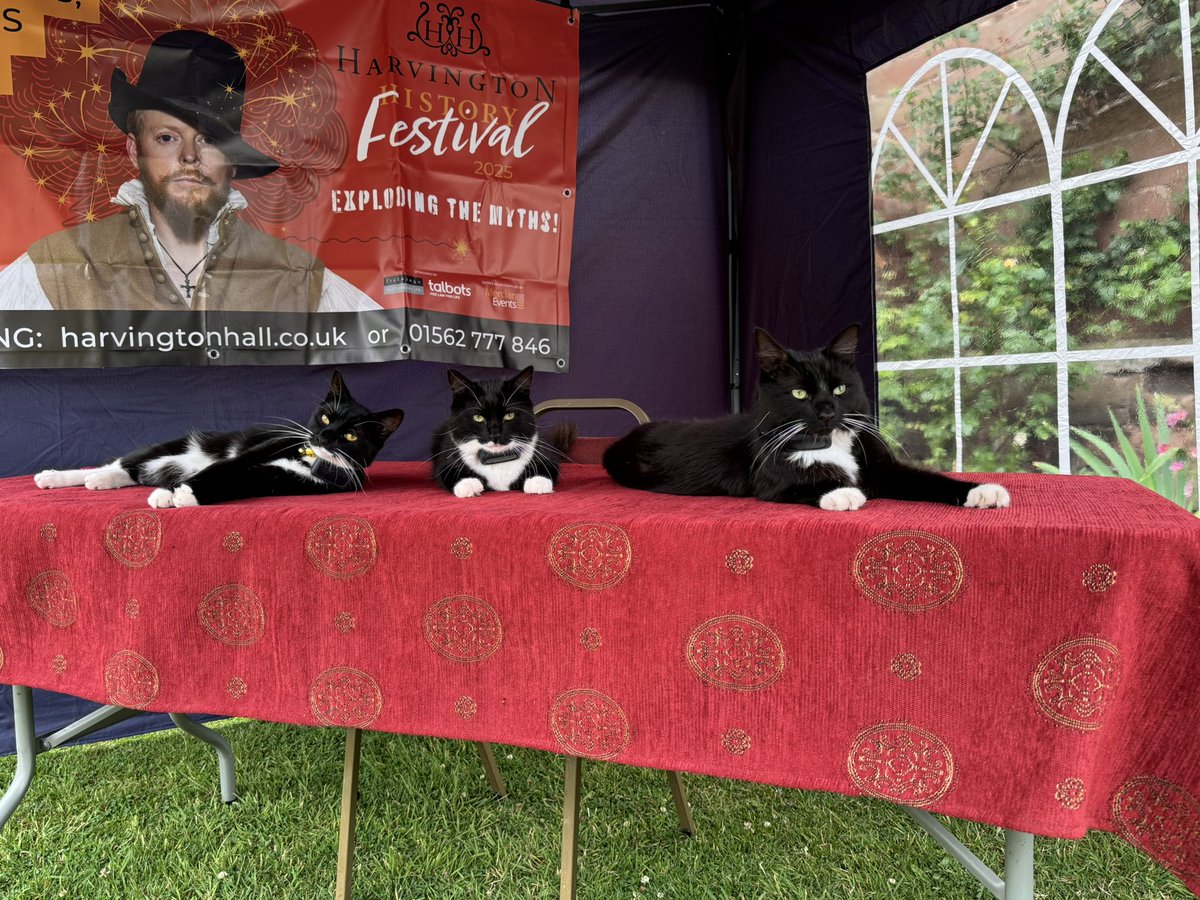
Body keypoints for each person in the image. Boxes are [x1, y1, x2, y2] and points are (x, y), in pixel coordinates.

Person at [0, 30, 379, 313]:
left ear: (231, 158)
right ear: (135, 149)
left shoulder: (302, 278)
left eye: (209, 140)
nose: (188, 157)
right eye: (166, 137)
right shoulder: (53, 266)